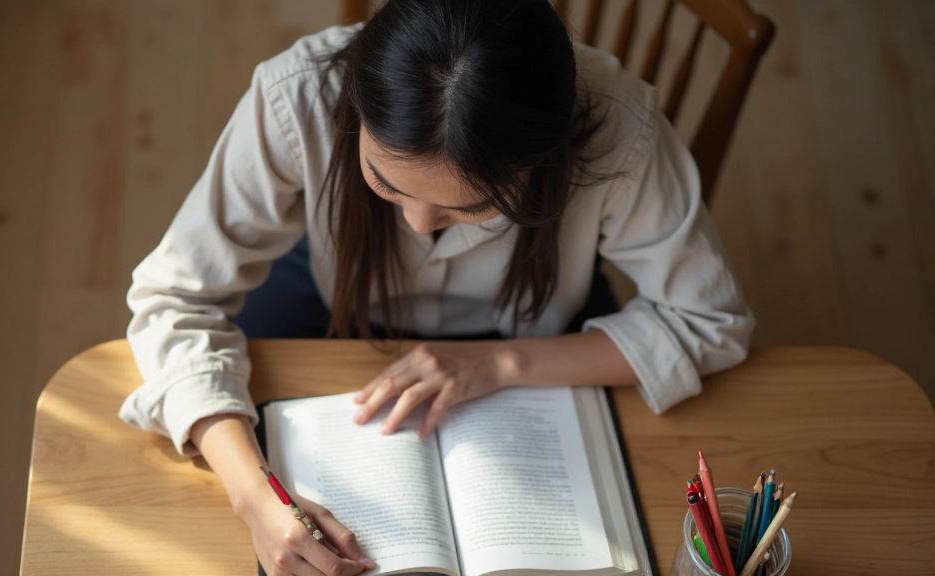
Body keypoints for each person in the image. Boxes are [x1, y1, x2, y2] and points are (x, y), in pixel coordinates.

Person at [119, 1, 754, 574]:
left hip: (536, 324)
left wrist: (501, 362)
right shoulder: (298, 95)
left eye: (475, 205)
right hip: (332, 294)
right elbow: (176, 298)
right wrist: (255, 493)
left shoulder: (622, 128)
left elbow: (706, 320)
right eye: (385, 180)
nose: (418, 225)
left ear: (545, 156)